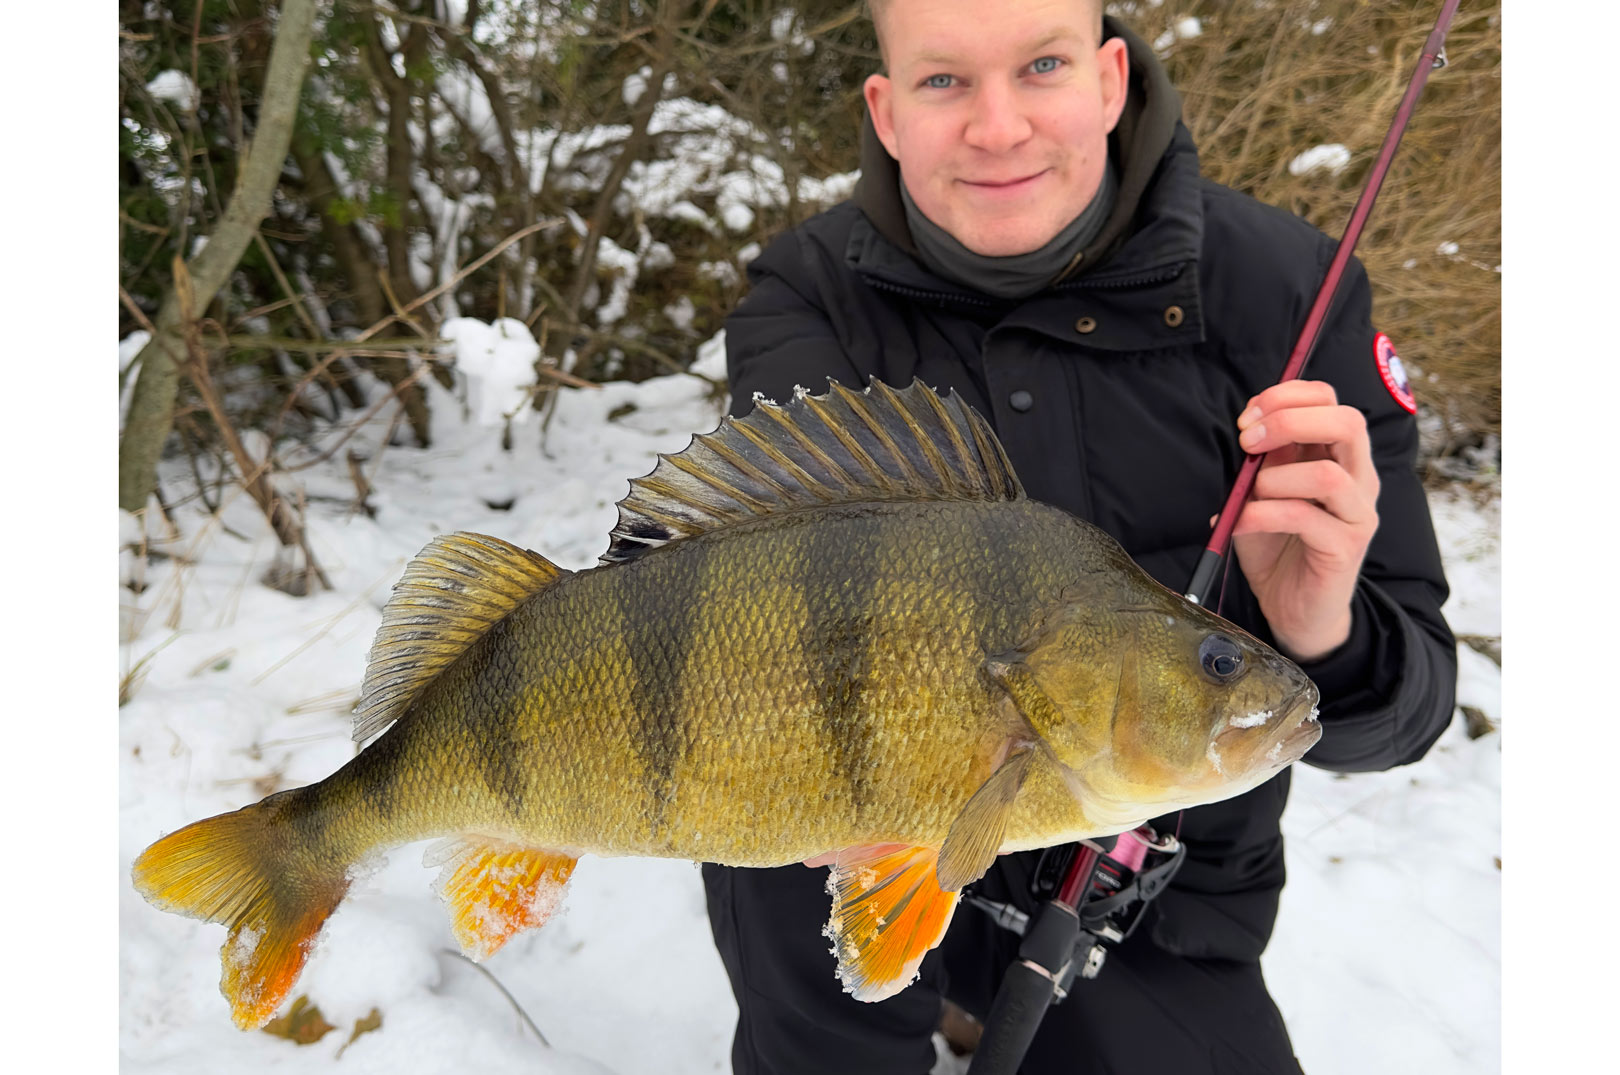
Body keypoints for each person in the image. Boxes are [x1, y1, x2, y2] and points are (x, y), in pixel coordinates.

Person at [700, 1, 1458, 1071]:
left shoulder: (1289, 291)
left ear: (1110, 79)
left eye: (1041, 66)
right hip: (845, 843)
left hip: (1153, 896)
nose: (998, 127)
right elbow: (732, 585)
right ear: (885, 110)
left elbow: (1412, 708)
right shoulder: (805, 299)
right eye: (943, 81)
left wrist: (1326, 629)